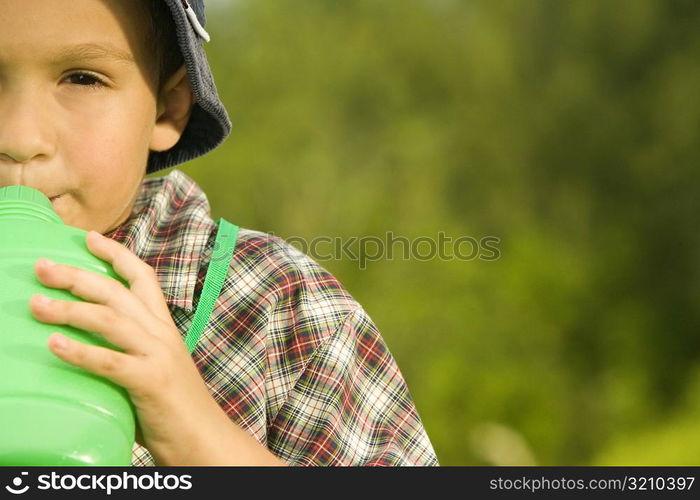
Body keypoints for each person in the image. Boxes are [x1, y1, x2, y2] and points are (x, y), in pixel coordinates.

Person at [0, 0, 439, 466]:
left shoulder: (276, 305)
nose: (19, 138)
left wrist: (195, 435)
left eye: (83, 78)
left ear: (168, 109)